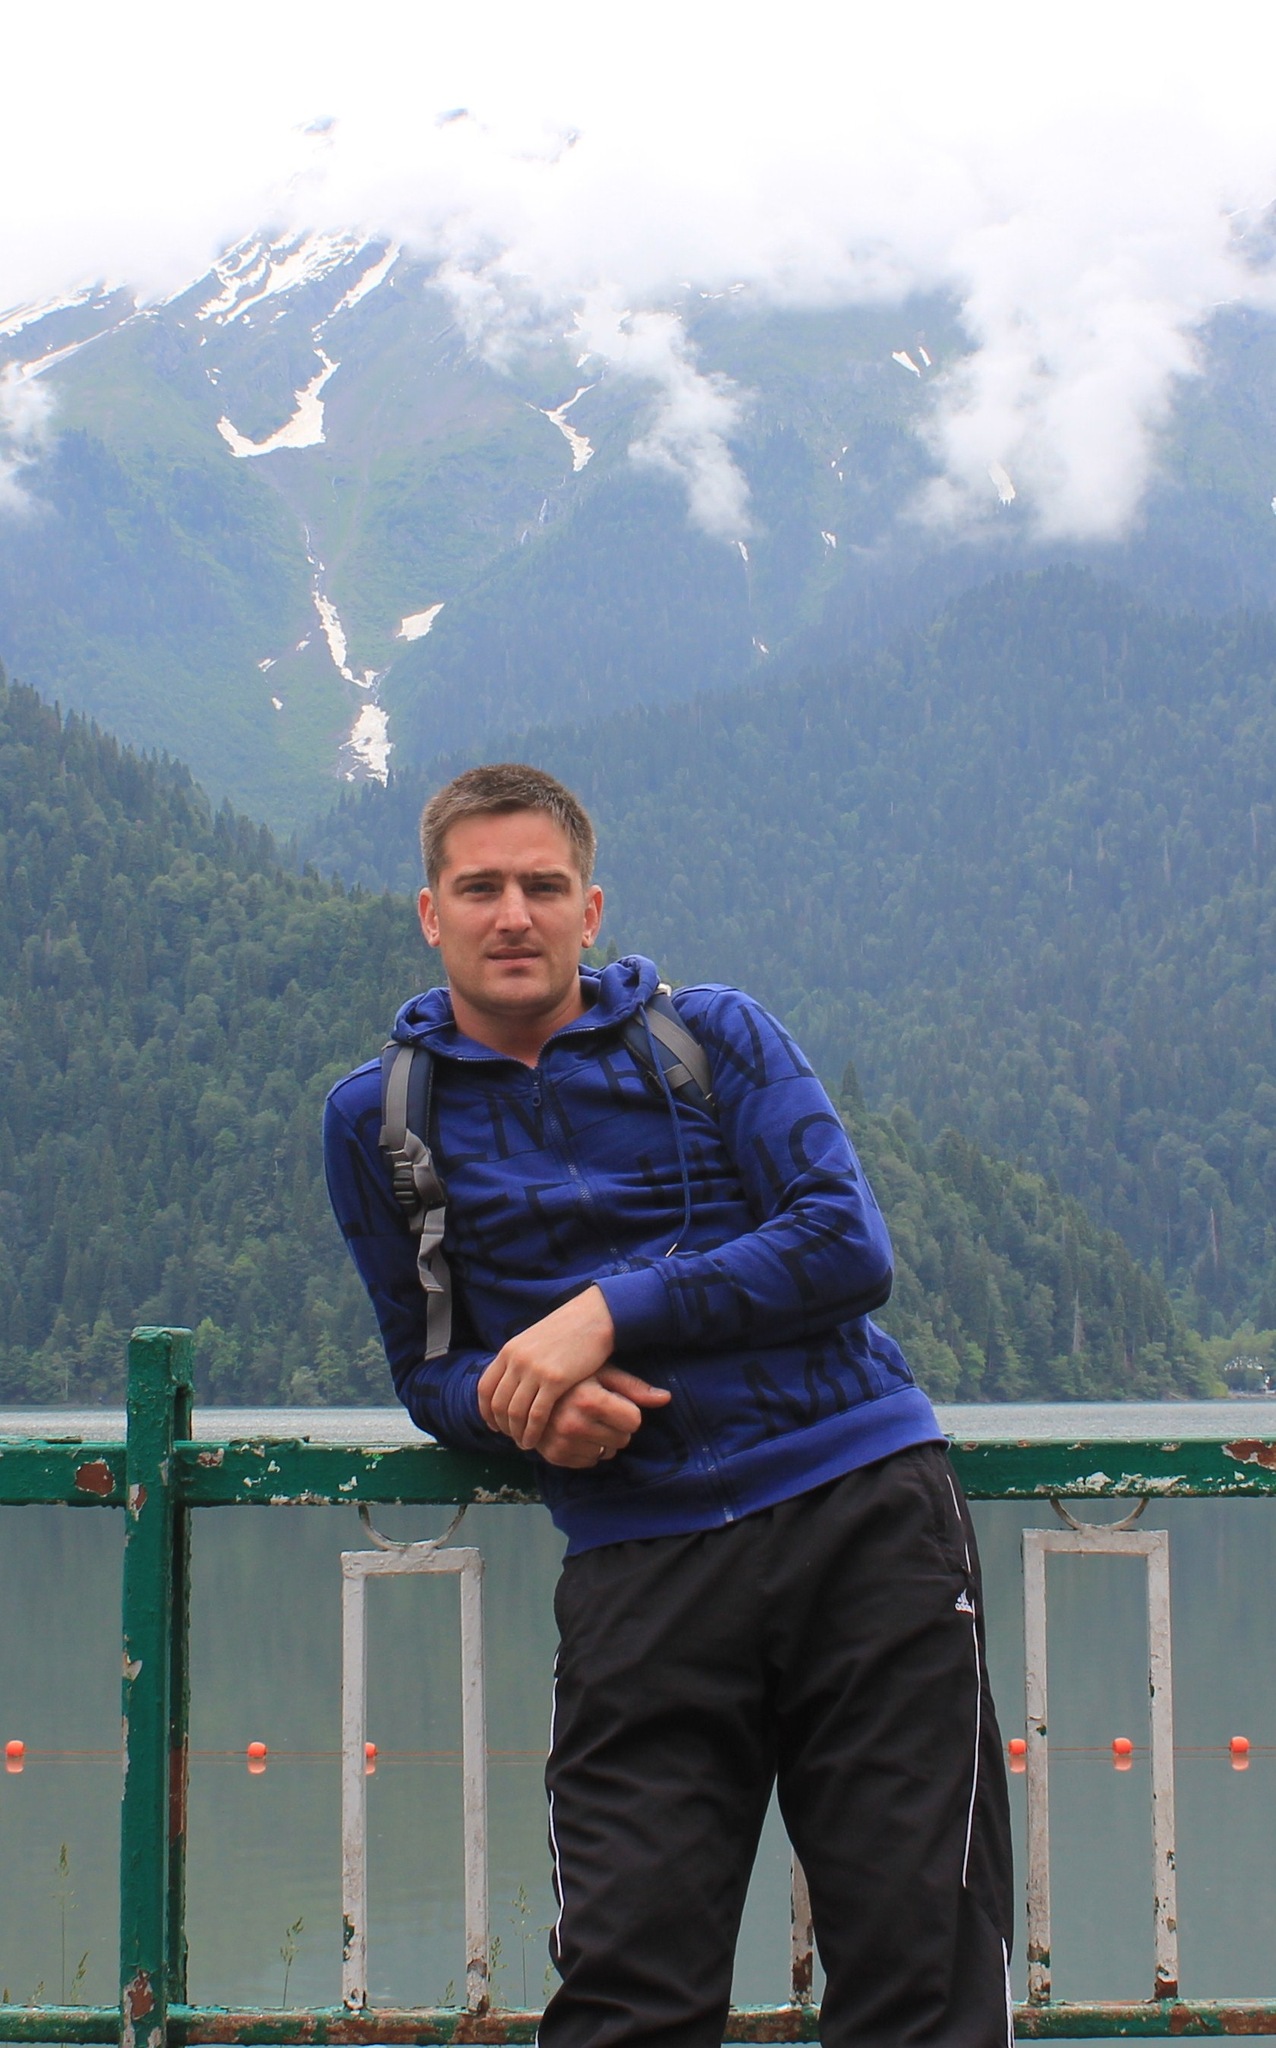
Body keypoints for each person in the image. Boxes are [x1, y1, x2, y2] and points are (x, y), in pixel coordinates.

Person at [323, 762, 1013, 2048]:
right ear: (430, 913)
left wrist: (605, 1311)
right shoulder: (380, 1119)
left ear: (591, 908)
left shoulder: (714, 1036)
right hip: (639, 1559)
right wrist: (521, 1407)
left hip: (863, 1519)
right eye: (481, 887)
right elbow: (429, 1369)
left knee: (920, 1980)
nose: (513, 914)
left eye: (543, 885)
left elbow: (845, 1244)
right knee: (627, 1997)